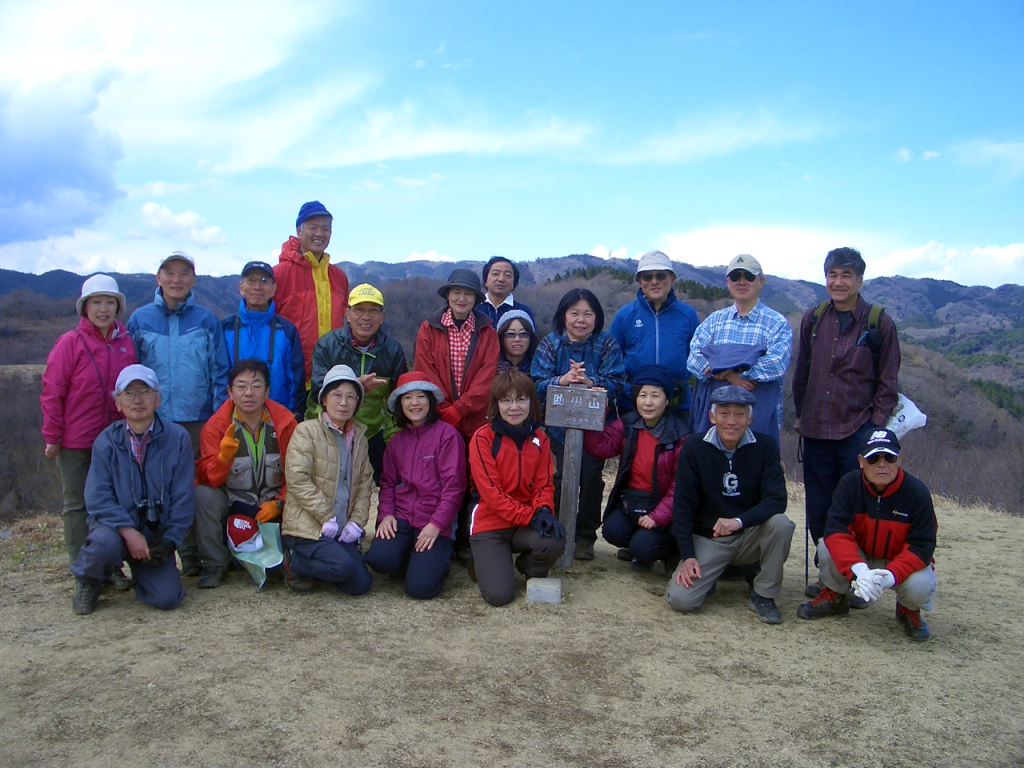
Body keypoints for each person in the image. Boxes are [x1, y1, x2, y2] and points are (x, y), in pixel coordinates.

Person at [792, 247, 901, 595]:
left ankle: (859, 580)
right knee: (820, 507)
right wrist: (800, 415)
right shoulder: (813, 318)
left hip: (857, 430)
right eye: (832, 275)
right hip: (815, 429)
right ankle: (831, 576)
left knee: (857, 506)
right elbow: (802, 373)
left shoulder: (878, 322)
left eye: (846, 275)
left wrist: (875, 427)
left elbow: (888, 382)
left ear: (859, 279)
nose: (838, 282)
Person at [127, 250, 229, 576]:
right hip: (154, 421)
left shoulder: (206, 320)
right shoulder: (140, 320)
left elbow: (219, 372)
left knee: (195, 487)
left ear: (193, 280)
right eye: (169, 273)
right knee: (159, 489)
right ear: (158, 278)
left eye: (184, 273)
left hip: (199, 419)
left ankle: (201, 555)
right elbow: (131, 374)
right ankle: (167, 557)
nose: (176, 279)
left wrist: (216, 418)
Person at [70, 365, 195, 615]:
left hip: (153, 534)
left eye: (145, 391)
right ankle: (89, 581)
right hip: (115, 529)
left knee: (168, 598)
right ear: (118, 403)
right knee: (103, 543)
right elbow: (97, 497)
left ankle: (144, 576)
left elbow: (183, 498)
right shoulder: (106, 441)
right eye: (128, 393)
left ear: (158, 399)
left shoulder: (178, 438)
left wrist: (169, 541)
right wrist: (127, 531)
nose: (137, 400)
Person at [665, 385, 794, 624]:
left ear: (750, 418)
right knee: (681, 600)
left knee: (781, 524)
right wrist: (687, 556)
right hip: (709, 538)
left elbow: (776, 500)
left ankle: (764, 593)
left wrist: (738, 522)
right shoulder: (694, 447)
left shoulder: (765, 446)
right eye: (724, 414)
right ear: (712, 416)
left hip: (748, 534)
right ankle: (713, 575)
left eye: (739, 414)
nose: (731, 421)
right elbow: (682, 506)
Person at [41, 274, 136, 586]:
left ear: (118, 306)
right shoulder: (70, 342)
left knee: (117, 502)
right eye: (96, 302)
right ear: (84, 307)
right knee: (78, 506)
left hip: (116, 439)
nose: (104, 308)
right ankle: (84, 572)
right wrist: (52, 437)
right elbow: (52, 392)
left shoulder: (125, 343)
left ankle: (112, 567)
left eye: (110, 302)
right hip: (76, 441)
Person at [797, 429, 937, 641]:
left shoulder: (917, 493)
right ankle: (835, 597)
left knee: (921, 583)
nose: (882, 464)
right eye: (873, 458)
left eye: (889, 457)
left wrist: (891, 575)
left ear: (900, 459)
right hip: (861, 555)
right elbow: (836, 531)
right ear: (861, 461)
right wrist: (859, 570)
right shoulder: (849, 485)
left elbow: (922, 547)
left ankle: (908, 610)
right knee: (826, 546)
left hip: (897, 560)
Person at [532, 288, 625, 560]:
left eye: (588, 313)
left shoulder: (607, 344)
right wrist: (562, 380)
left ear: (596, 317)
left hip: (595, 429)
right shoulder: (550, 344)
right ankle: (556, 531)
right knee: (557, 479)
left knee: (591, 480)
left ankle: (585, 537)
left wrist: (590, 382)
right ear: (564, 316)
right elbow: (536, 383)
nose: (581, 319)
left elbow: (618, 383)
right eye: (574, 313)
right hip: (556, 429)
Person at [194, 359, 298, 588]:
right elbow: (207, 478)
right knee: (201, 495)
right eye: (241, 386)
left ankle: (294, 561)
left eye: (256, 385)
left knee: (303, 493)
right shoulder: (215, 426)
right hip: (235, 501)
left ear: (267, 390)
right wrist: (222, 459)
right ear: (230, 391)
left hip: (274, 503)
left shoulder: (285, 423)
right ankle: (215, 563)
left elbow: (298, 473)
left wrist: (279, 503)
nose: (248, 393)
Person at [364, 372, 467, 599]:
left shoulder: (448, 436)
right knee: (379, 560)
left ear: (430, 401)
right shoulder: (397, 442)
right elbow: (388, 484)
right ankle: (408, 559)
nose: (414, 403)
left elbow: (454, 488)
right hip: (401, 518)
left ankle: (435, 561)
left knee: (420, 589)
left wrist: (436, 524)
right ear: (400, 404)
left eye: (420, 396)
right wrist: (386, 515)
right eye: (407, 397)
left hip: (433, 522)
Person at [468, 370, 564, 606]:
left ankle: (526, 565)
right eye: (506, 400)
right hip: (490, 524)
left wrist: (543, 511)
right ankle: (481, 561)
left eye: (521, 399)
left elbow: (544, 485)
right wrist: (530, 517)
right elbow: (492, 495)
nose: (514, 407)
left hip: (523, 526)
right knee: (499, 596)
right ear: (496, 404)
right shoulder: (483, 438)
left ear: (531, 403)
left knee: (554, 540)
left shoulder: (540, 439)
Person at [584, 365, 687, 572]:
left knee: (644, 546)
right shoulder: (629, 424)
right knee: (612, 531)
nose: (648, 402)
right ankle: (638, 548)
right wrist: (598, 411)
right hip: (632, 500)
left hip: (660, 503)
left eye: (655, 396)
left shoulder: (680, 435)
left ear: (667, 400)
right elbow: (600, 448)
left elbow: (681, 486)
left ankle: (666, 551)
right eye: (643, 395)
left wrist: (657, 517)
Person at [281, 365, 373, 596]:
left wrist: (356, 522)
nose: (344, 402)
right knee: (343, 567)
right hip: (310, 526)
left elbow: (364, 485)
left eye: (351, 397)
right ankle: (294, 562)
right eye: (337, 395)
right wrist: (326, 516)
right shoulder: (306, 431)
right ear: (324, 400)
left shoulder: (360, 437)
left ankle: (326, 563)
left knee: (360, 586)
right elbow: (297, 480)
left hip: (341, 528)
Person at [687, 254, 792, 445]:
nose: (742, 281)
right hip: (713, 421)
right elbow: (694, 360)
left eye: (749, 276)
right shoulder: (713, 321)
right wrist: (729, 374)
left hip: (758, 417)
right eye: (735, 277)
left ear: (761, 281)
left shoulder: (777, 323)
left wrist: (729, 370)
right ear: (728, 283)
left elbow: (777, 364)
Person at [309, 283, 409, 484]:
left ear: (382, 316)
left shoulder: (392, 350)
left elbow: (397, 400)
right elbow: (318, 391)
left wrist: (394, 442)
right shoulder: (328, 345)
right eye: (359, 310)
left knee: (379, 490)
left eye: (373, 311)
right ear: (347, 314)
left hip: (371, 434)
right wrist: (355, 387)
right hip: (328, 432)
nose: (366, 317)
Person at [609, 250, 700, 421]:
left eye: (660, 275)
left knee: (677, 448)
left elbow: (700, 356)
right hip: (634, 402)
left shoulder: (688, 315)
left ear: (672, 279)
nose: (654, 281)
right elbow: (612, 361)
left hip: (677, 402)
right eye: (647, 277)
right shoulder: (625, 315)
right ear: (639, 281)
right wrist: (630, 390)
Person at [273, 201, 350, 385]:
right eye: (313, 227)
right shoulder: (279, 274)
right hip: (290, 378)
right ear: (299, 231)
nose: (319, 234)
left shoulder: (338, 277)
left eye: (325, 229)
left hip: (332, 379)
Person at [220, 261, 305, 420]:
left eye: (264, 281)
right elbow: (217, 374)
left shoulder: (286, 330)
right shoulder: (225, 328)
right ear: (241, 287)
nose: (257, 286)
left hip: (277, 416)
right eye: (251, 280)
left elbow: (295, 379)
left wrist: (294, 415)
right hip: (232, 416)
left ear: (273, 290)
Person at [479, 256, 535, 325]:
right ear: (485, 281)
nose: (501, 279)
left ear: (514, 282)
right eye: (495, 274)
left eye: (507, 275)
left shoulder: (523, 312)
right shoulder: (473, 309)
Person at [496, 309, 539, 374]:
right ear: (501, 337)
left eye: (523, 334)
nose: (517, 339)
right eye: (511, 334)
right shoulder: (492, 367)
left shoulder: (540, 368)